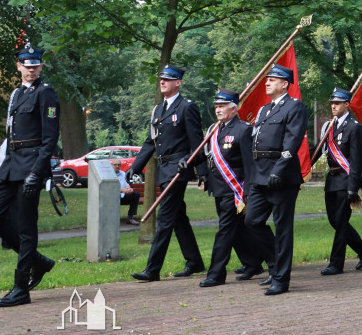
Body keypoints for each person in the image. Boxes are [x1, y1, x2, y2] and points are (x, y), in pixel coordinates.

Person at [0, 44, 59, 307]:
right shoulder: (16, 94)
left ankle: (21, 287)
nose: (31, 70)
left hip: (31, 165)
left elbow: (50, 139)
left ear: (41, 67)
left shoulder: (46, 93)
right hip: (10, 163)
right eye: (27, 66)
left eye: (35, 66)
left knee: (26, 227)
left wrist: (36, 173)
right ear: (19, 66)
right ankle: (38, 261)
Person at [128, 64, 205, 282]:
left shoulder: (186, 107)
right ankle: (194, 261)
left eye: (168, 79)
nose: (162, 82)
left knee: (164, 218)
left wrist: (201, 172)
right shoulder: (158, 110)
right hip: (164, 169)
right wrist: (135, 167)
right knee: (178, 218)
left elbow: (197, 143)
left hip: (178, 170)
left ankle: (152, 269)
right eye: (161, 78)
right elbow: (150, 141)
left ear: (178, 82)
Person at [242, 64, 307, 296]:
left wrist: (279, 170)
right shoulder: (263, 110)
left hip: (282, 175)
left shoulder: (294, 107)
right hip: (260, 174)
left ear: (284, 84)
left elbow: (292, 142)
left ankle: (281, 279)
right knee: (252, 221)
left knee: (283, 228)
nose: (267, 83)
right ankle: (273, 264)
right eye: (267, 79)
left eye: (272, 79)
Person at [187, 89, 263, 287]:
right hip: (219, 188)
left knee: (225, 231)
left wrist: (247, 193)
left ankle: (216, 274)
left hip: (234, 190)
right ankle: (255, 262)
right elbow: (207, 155)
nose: (218, 110)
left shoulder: (243, 130)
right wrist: (186, 162)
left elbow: (249, 164)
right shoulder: (214, 129)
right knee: (237, 230)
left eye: (222, 106)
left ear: (233, 108)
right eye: (216, 106)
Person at [319, 87, 362, 275]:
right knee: (334, 221)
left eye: (337, 103)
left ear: (346, 105)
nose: (333, 106)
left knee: (341, 223)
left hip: (345, 180)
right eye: (332, 103)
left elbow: (357, 160)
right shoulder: (329, 127)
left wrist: (353, 187)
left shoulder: (354, 127)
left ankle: (336, 264)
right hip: (332, 180)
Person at [111, 159, 141, 225]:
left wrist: (129, 189)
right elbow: (109, 188)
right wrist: (122, 190)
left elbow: (127, 184)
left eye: (119, 165)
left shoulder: (123, 173)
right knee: (115, 196)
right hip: (111, 197)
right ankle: (113, 220)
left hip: (123, 196)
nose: (117, 166)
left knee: (135, 194)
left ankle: (130, 218)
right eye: (115, 165)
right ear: (111, 165)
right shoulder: (108, 175)